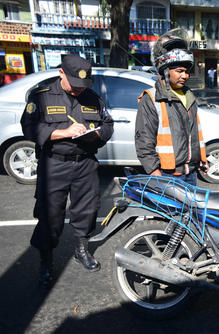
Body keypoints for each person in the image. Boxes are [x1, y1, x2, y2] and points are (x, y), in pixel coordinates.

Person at [20, 54, 114, 288]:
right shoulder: (41, 97)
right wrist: (63, 132)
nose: (78, 90)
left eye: (83, 86)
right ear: (61, 73)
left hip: (85, 163)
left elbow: (108, 124)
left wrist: (97, 135)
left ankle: (82, 250)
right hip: (54, 163)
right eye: (74, 85)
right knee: (49, 216)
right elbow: (29, 127)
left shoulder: (92, 97)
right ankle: (46, 261)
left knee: (88, 210)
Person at [135, 28, 207, 187]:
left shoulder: (189, 95)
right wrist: (155, 172)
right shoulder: (152, 98)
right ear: (165, 71)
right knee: (168, 213)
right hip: (167, 176)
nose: (185, 76)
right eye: (179, 71)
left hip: (191, 173)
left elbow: (195, 132)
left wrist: (202, 158)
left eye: (187, 71)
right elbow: (144, 140)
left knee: (190, 211)